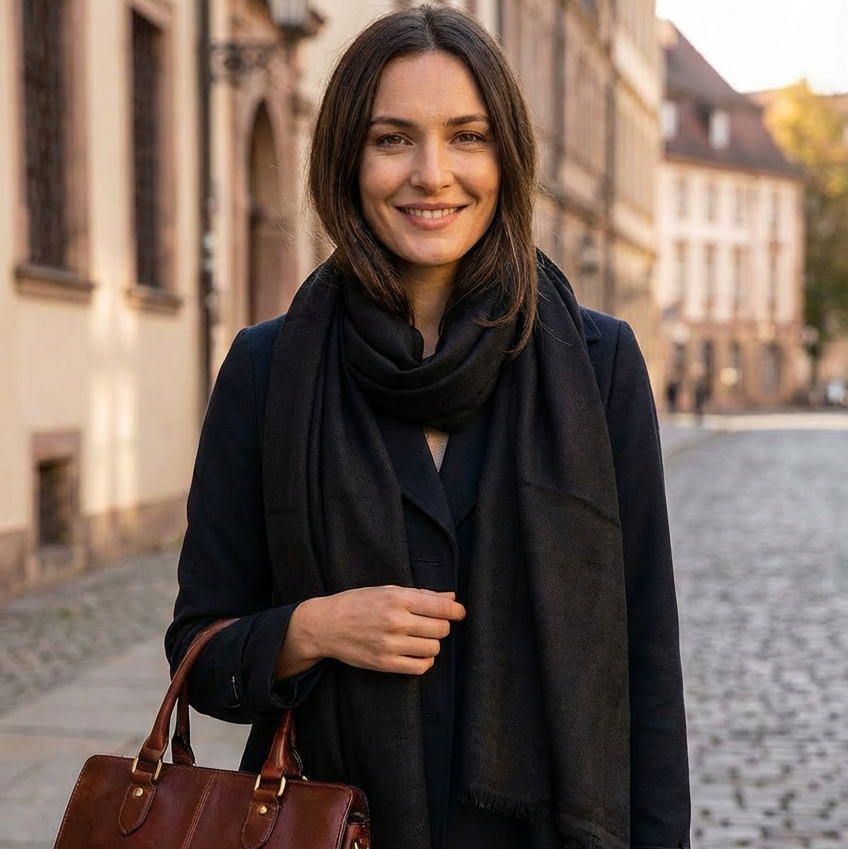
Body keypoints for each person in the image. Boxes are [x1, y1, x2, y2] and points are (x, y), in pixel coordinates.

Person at [165, 6, 690, 849]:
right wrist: (314, 628)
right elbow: (199, 654)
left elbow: (647, 667)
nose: (433, 173)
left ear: (505, 157)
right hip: (336, 828)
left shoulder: (599, 365)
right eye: (393, 139)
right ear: (348, 158)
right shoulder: (268, 370)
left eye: (467, 136)